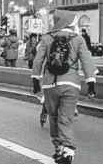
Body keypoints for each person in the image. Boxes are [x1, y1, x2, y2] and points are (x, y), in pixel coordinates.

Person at [31, 9, 97, 163]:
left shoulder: (47, 38)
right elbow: (86, 61)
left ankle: (58, 148)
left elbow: (37, 61)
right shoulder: (78, 39)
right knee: (66, 117)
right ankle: (68, 149)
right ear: (71, 23)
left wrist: (35, 81)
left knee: (53, 117)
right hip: (71, 83)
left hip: (50, 84)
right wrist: (91, 83)